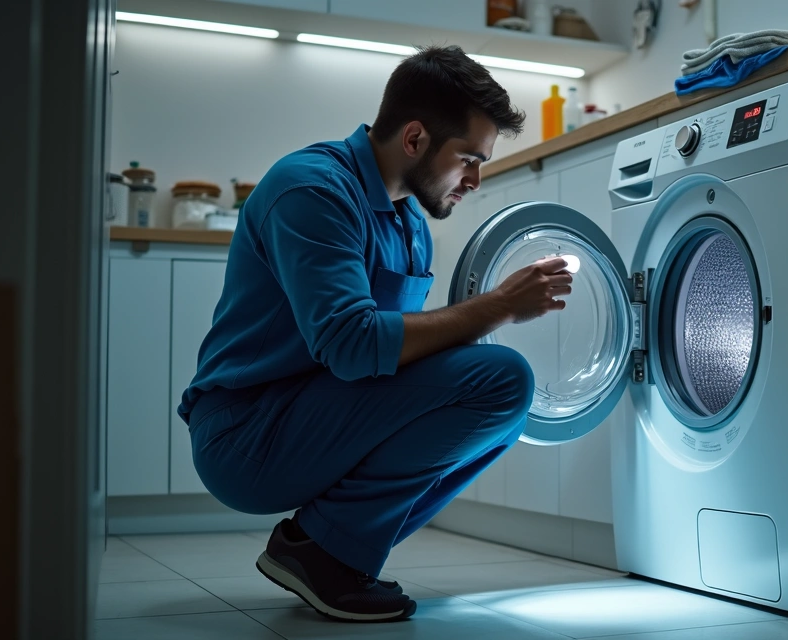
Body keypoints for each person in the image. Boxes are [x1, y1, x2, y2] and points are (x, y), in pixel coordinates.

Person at [176, 45, 572, 623]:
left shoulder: (410, 219)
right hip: (245, 433)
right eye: (468, 159)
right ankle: (323, 554)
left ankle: (325, 551)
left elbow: (396, 354)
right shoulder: (311, 190)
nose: (476, 180)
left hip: (313, 409)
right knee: (501, 380)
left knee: (505, 404)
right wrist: (496, 308)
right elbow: (354, 344)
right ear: (414, 139)